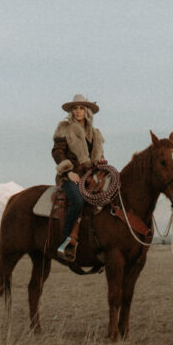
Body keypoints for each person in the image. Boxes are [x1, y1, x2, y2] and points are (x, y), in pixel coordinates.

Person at [51, 94, 105, 258]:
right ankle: (66, 241)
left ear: (87, 111)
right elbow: (57, 151)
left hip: (91, 176)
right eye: (75, 108)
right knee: (78, 200)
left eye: (81, 108)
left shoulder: (95, 134)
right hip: (71, 176)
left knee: (106, 200)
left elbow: (95, 156)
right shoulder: (64, 128)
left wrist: (100, 163)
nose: (78, 111)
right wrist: (68, 171)